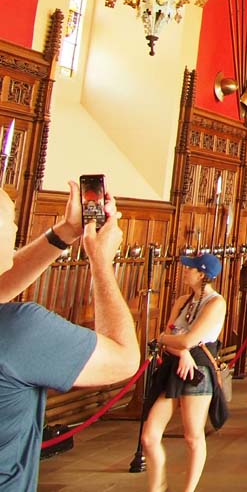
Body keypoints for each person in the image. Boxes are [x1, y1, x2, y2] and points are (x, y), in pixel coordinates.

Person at [0, 182, 140, 491]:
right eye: (10, 219)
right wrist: (101, 262)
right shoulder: (19, 330)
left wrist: (65, 232)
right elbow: (124, 359)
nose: (16, 228)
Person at [142, 252, 228, 492]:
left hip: (198, 370)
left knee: (192, 436)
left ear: (202, 274)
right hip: (175, 365)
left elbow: (187, 339)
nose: (185, 271)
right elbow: (167, 337)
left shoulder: (216, 303)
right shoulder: (182, 301)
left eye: (190, 268)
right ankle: (158, 488)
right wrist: (181, 351)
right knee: (149, 436)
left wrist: (173, 342)